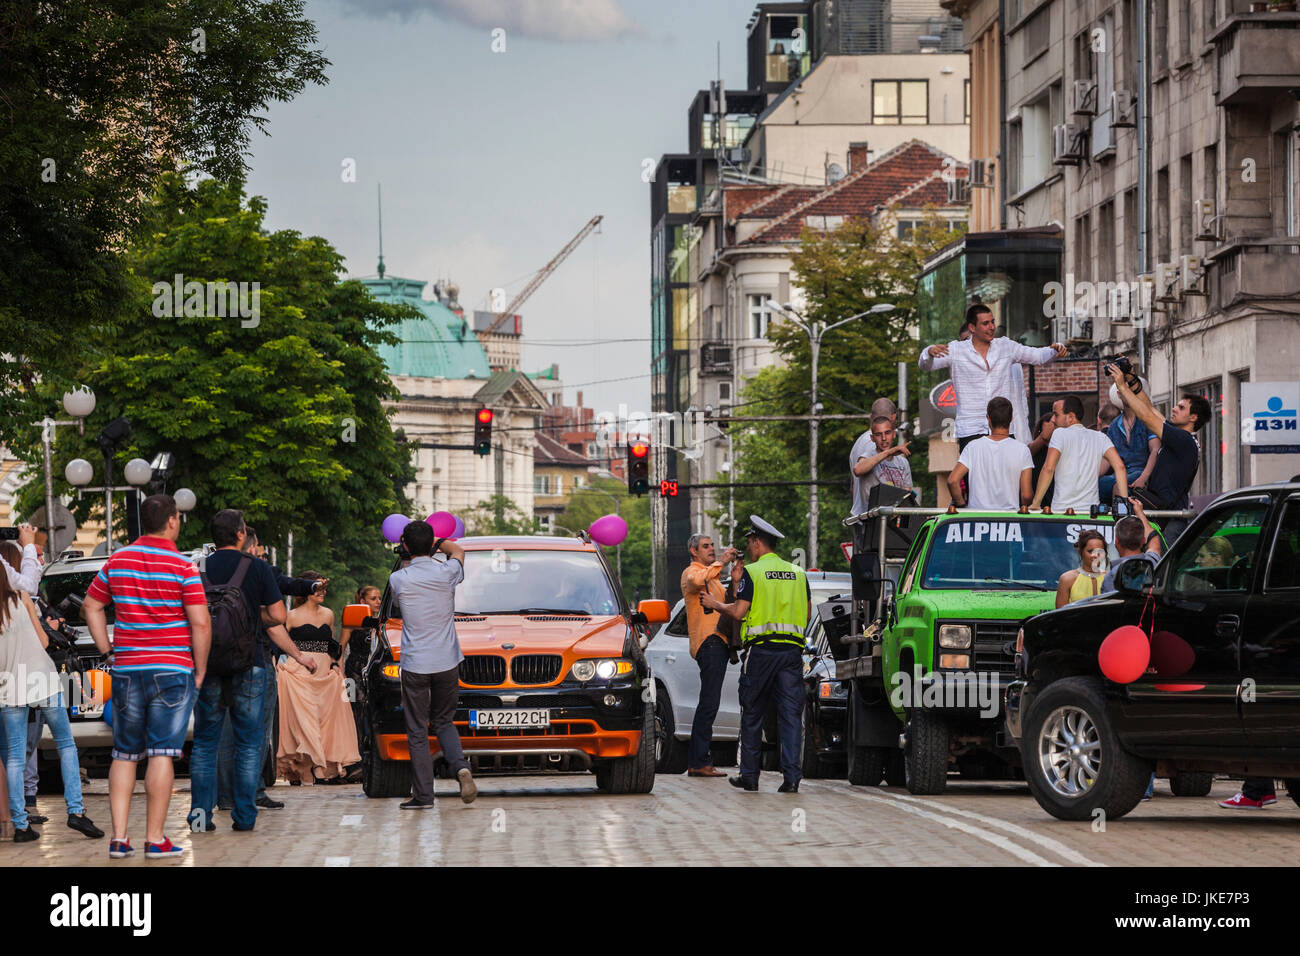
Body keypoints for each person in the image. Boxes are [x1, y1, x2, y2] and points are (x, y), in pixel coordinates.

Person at [81, 494, 209, 859]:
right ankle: (155, 839)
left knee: (123, 754)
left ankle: (119, 839)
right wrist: (199, 670)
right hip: (172, 669)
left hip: (127, 669)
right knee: (162, 753)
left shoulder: (116, 561)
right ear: (172, 521)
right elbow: (200, 621)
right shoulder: (182, 566)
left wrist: (108, 651)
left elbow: (92, 605)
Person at [188, 509, 316, 835]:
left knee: (205, 743)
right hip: (250, 664)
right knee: (248, 742)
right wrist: (250, 614)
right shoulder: (257, 567)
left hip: (207, 664)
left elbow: (187, 615)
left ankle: (201, 818)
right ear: (241, 534)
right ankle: (244, 817)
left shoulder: (195, 568)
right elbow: (277, 616)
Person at [216, 525, 326, 812]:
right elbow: (279, 612)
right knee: (255, 732)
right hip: (253, 659)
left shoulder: (203, 567)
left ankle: (222, 799)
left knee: (221, 734)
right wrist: (299, 657)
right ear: (248, 544)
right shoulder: (257, 569)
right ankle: (251, 795)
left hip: (215, 659)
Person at [701, 515, 810, 794]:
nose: (748, 549)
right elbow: (807, 614)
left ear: (758, 542)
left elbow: (739, 612)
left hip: (761, 653)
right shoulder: (799, 573)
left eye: (750, 543)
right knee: (790, 716)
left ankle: (750, 776)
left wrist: (716, 604)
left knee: (752, 713)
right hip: (792, 653)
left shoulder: (754, 572)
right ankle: (792, 779)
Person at [1, 552, 104, 844]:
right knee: (65, 744)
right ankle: (75, 811)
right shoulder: (22, 598)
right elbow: (45, 642)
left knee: (15, 756)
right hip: (43, 679)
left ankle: (21, 825)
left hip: (9, 686)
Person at [387, 519, 476, 808]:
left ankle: (424, 795)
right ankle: (461, 766)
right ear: (432, 546)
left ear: (406, 546)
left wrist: (412, 549)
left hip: (415, 664)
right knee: (444, 721)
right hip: (447, 660)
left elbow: (401, 592)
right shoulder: (447, 572)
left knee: (417, 730)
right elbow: (459, 551)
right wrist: (438, 542)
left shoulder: (398, 579)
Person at [919, 303, 1067, 450]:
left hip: (1002, 428)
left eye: (992, 322)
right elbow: (926, 365)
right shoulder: (957, 350)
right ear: (972, 328)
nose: (991, 327)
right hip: (971, 429)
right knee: (974, 474)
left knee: (1007, 473)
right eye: (985, 323)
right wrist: (928, 352)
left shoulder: (1005, 346)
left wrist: (1055, 349)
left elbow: (1037, 356)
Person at [1106, 364, 1210, 544]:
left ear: (1193, 418)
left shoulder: (1184, 440)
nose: (1174, 409)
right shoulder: (1179, 436)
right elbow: (1150, 409)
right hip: (1163, 514)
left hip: (1170, 519)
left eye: (1181, 407)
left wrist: (1122, 386)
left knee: (1159, 565)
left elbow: (1146, 417)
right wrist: (1132, 381)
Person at [277, 571, 360, 784]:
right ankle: (304, 767)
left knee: (327, 719)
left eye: (324, 588)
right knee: (304, 720)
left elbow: (332, 643)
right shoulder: (291, 616)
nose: (322, 592)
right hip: (299, 671)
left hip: (325, 671)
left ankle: (322, 768)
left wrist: (336, 665)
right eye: (318, 588)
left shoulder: (329, 614)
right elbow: (281, 643)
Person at [679, 534, 739, 778]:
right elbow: (696, 581)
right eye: (706, 546)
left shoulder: (714, 579)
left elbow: (728, 607)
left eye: (713, 545)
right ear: (694, 551)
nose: (712, 549)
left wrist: (734, 582)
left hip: (720, 642)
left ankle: (700, 760)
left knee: (710, 702)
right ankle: (699, 761)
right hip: (709, 642)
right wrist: (722, 562)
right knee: (709, 703)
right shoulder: (691, 572)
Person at [1031, 396, 1129, 513]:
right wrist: (1124, 507)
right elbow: (1120, 467)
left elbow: (1048, 468)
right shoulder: (1101, 437)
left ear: (1071, 417)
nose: (1053, 419)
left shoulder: (1059, 434)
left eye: (1057, 415)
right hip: (1091, 512)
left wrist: (1036, 503)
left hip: (1063, 511)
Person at [947, 397, 1033, 511]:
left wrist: (963, 506)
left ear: (988, 418)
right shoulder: (1022, 450)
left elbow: (952, 481)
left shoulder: (972, 447)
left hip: (978, 518)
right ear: (1011, 418)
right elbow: (1026, 496)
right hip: (1010, 520)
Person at [850, 415, 913, 516]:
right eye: (878, 435)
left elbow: (907, 493)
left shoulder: (903, 462)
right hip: (869, 521)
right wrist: (889, 452)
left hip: (891, 520)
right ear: (872, 438)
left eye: (887, 433)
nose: (883, 438)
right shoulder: (868, 455)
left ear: (894, 434)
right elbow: (857, 470)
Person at [1100, 398, 1159, 505]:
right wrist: (1090, 476)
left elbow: (1155, 450)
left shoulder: (1147, 420)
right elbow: (1107, 458)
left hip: (1141, 471)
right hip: (1118, 474)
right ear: (1119, 394)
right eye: (1123, 390)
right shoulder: (1114, 425)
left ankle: (1122, 521)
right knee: (1096, 485)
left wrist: (1144, 477)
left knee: (1119, 486)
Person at [1100, 500, 1163, 592]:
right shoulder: (1153, 561)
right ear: (1143, 541)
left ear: (1116, 542)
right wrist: (1139, 512)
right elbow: (1154, 541)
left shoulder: (1111, 578)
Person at [1055, 530, 1109, 609]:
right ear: (1080, 551)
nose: (1096, 555)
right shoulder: (1067, 579)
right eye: (1091, 551)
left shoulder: (1112, 578)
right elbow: (1060, 617)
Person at [1028, 410, 1056, 508]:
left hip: (1056, 501)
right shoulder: (1035, 451)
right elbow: (1028, 452)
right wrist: (1043, 437)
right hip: (1039, 502)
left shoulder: (1060, 449)